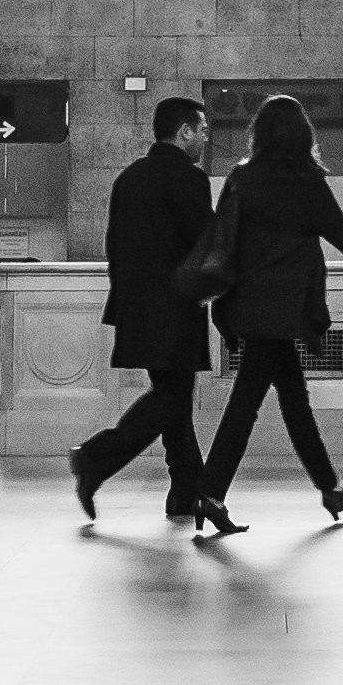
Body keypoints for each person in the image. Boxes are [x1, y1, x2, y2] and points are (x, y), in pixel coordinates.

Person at [190, 95, 343, 532]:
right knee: (247, 404)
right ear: (304, 134)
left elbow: (223, 237)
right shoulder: (307, 184)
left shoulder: (241, 179)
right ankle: (210, 493)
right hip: (284, 310)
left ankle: (329, 488)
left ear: (259, 134)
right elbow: (342, 232)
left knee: (293, 400)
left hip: (248, 304)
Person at [71, 95, 215, 523]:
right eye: (202, 130)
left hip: (136, 306)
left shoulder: (128, 178)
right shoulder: (189, 179)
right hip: (176, 308)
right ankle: (95, 458)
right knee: (171, 400)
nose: (206, 139)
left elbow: (113, 246)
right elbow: (206, 244)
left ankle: (187, 492)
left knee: (175, 399)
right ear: (184, 131)